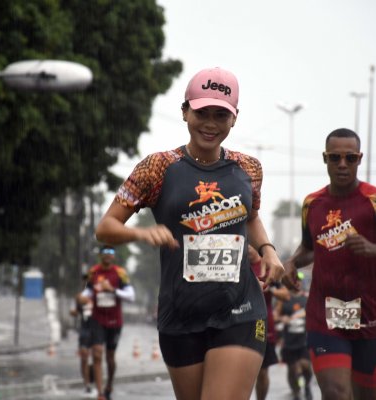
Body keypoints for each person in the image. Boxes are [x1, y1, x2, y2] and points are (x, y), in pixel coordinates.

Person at [95, 67, 284, 400]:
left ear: (234, 118)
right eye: (201, 113)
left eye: (221, 115)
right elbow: (105, 229)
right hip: (179, 314)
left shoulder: (248, 169)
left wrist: (267, 248)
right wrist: (141, 235)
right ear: (185, 112)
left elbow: (251, 215)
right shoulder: (157, 168)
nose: (210, 123)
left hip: (240, 309)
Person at [283, 128, 376, 400]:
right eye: (335, 157)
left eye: (350, 158)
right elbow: (309, 248)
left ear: (360, 159)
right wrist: (292, 263)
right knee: (336, 392)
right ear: (325, 158)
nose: (342, 164)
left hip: (371, 316)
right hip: (326, 317)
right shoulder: (313, 204)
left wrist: (375, 249)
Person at [79, 245, 135, 400]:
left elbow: (131, 296)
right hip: (97, 318)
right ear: (101, 256)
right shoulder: (94, 272)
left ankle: (109, 383)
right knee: (97, 353)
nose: (108, 255)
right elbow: (88, 291)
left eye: (111, 252)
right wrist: (83, 297)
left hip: (115, 320)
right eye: (105, 252)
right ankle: (100, 393)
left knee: (110, 357)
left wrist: (112, 290)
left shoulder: (120, 273)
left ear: (114, 256)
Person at [249, 245, 290, 400]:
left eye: (250, 245)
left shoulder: (267, 265)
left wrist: (269, 288)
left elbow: (286, 295)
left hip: (263, 323)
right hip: (240, 322)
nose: (247, 248)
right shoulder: (238, 263)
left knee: (263, 371)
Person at [278, 271, 313, 400]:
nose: (297, 282)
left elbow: (315, 313)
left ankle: (307, 386)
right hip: (289, 341)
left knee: (305, 366)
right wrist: (283, 318)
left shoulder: (307, 297)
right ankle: (296, 392)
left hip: (304, 340)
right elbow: (276, 315)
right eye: (295, 280)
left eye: (299, 280)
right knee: (292, 369)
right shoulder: (285, 299)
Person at [70, 273, 95, 396]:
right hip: (84, 329)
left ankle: (93, 380)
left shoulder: (97, 296)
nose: (87, 283)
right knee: (84, 356)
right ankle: (87, 384)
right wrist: (74, 311)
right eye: (85, 281)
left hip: (97, 328)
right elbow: (74, 311)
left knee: (96, 357)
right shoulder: (78, 297)